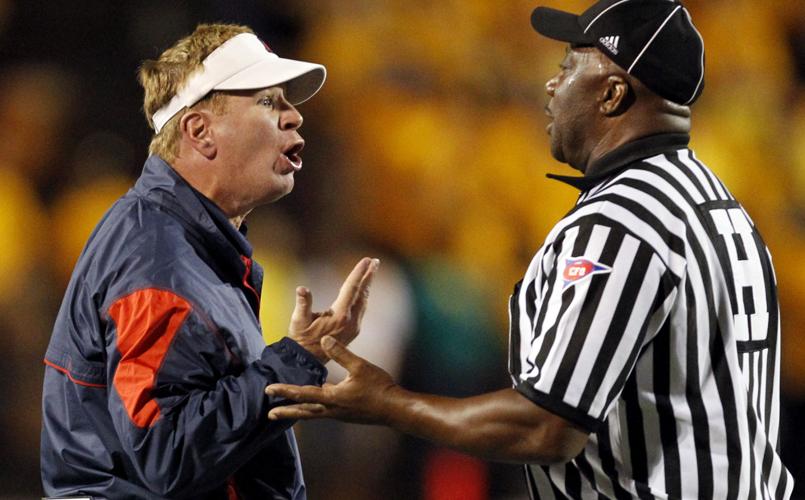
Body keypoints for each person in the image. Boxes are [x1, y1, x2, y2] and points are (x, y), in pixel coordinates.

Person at [266, 1, 796, 498]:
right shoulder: (718, 203)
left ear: (612, 94)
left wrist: (387, 403)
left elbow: (549, 426)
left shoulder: (623, 219)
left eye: (569, 68)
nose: (551, 83)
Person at [40, 23, 378, 499]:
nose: (294, 117)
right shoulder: (157, 260)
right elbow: (167, 453)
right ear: (200, 131)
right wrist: (296, 362)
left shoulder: (188, 240)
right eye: (268, 101)